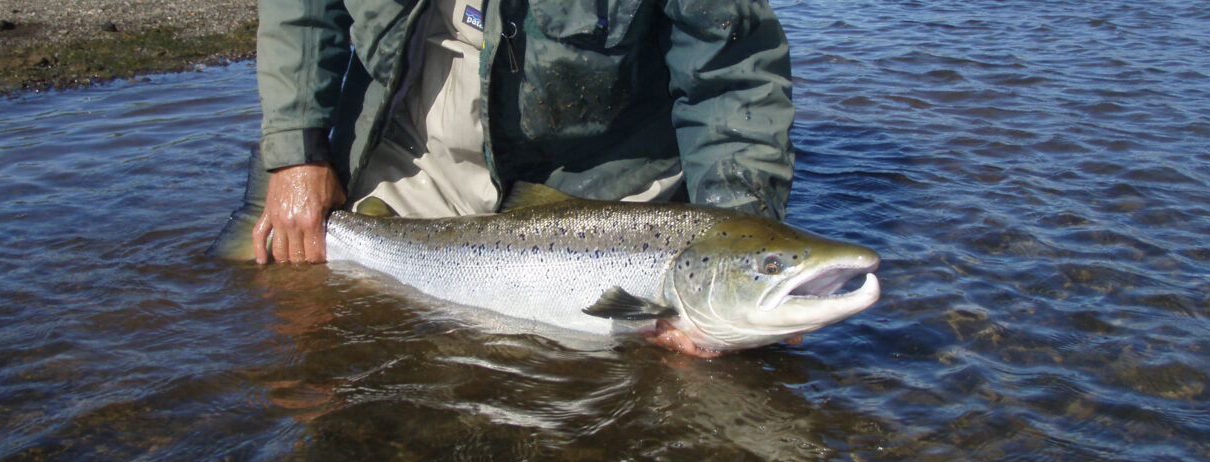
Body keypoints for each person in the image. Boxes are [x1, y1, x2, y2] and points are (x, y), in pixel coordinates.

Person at [210, 0, 798, 355]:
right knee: (312, 327)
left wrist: (745, 232)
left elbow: (730, 70)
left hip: (602, 185)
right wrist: (295, 154)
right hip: (413, 144)